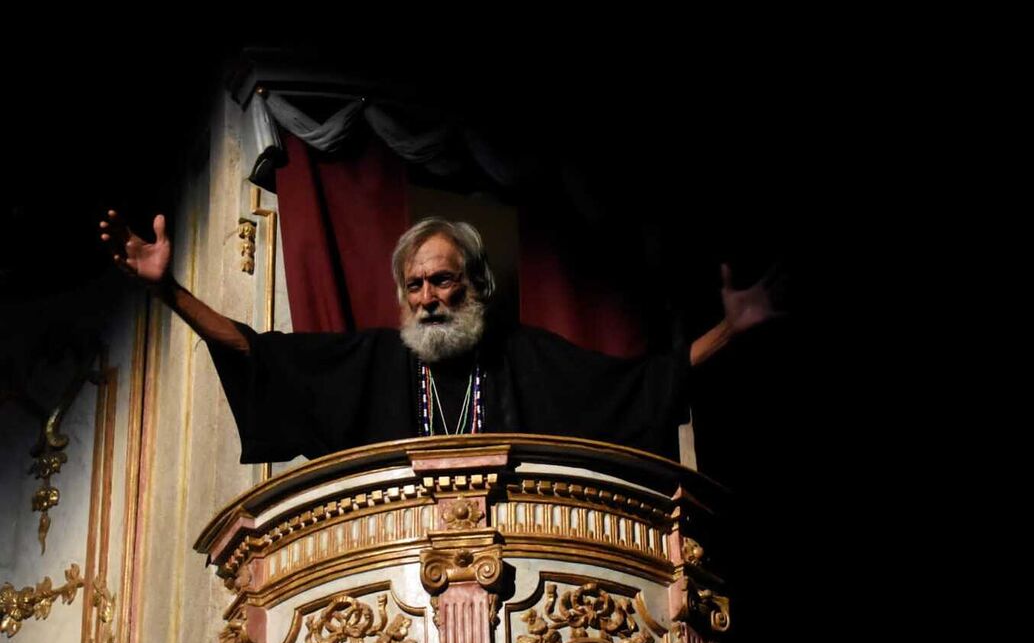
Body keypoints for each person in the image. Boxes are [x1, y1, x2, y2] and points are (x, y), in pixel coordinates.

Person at [100, 211, 774, 461]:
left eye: (442, 280)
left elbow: (639, 387)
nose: (426, 298)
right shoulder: (375, 359)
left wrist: (729, 330)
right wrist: (168, 292)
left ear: (475, 285)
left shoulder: (524, 356)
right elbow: (258, 353)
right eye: (415, 285)